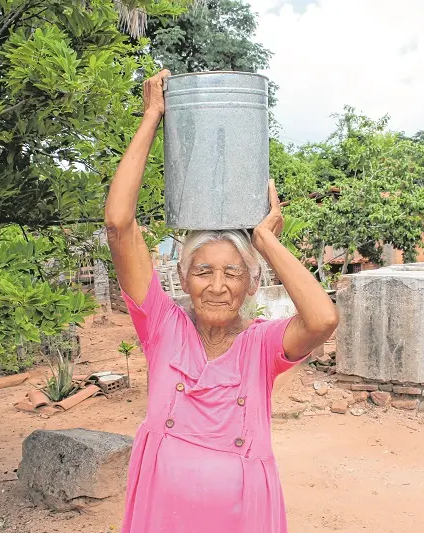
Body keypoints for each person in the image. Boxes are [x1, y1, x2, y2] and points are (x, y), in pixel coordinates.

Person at [105, 70, 339, 533]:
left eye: (233, 273)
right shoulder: (161, 326)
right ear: (182, 278)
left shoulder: (261, 346)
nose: (217, 286)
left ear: (252, 283)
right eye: (203, 271)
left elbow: (323, 319)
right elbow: (118, 223)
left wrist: (265, 242)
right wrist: (152, 114)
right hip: (162, 510)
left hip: (242, 514)